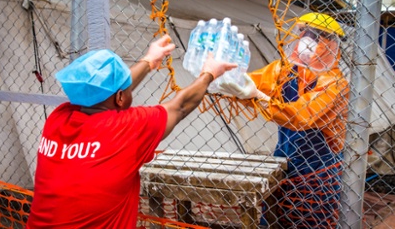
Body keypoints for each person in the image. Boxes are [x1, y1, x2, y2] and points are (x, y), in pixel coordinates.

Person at [26, 34, 237, 228]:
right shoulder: (128, 127)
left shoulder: (58, 118)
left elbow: (103, 94)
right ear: (119, 97)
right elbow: (179, 107)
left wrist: (149, 61)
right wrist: (210, 73)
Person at [219, 13, 349, 228]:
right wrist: (231, 80)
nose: (307, 40)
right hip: (283, 159)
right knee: (273, 214)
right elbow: (255, 81)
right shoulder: (286, 70)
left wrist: (258, 97)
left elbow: (300, 116)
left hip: (319, 166)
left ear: (331, 45)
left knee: (310, 219)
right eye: (304, 33)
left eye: (317, 36)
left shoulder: (335, 83)